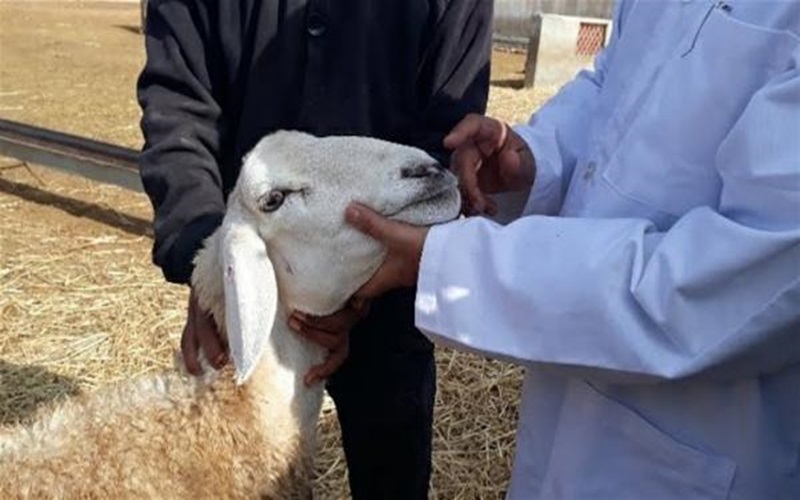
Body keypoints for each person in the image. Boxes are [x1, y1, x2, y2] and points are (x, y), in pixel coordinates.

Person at [339, 0, 800, 497]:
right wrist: (534, 159)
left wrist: (450, 263)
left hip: (701, 447)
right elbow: (611, 86)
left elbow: (741, 281)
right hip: (569, 413)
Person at [136, 1, 492, 498]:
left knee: (392, 466)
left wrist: (367, 289)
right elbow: (179, 106)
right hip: (252, 289)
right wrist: (206, 255)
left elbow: (448, 131)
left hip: (390, 292)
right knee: (255, 475)